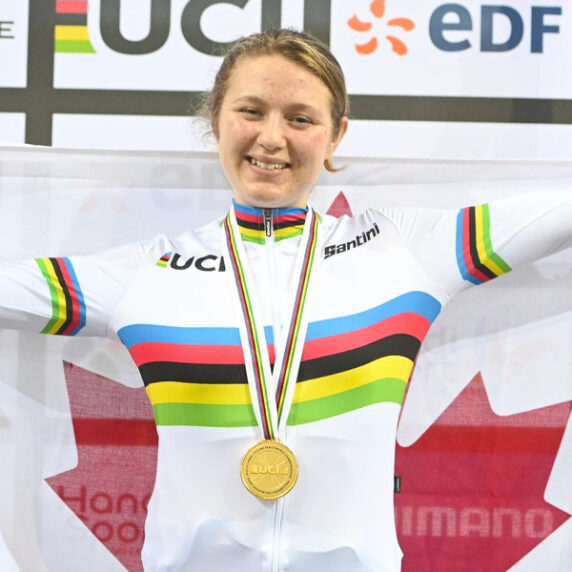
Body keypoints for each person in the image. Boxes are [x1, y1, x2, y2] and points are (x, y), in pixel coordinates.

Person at [1, 28, 572, 572]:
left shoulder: (404, 251)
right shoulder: (149, 271)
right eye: (250, 111)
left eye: (300, 119)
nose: (271, 138)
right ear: (216, 120)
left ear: (336, 136)